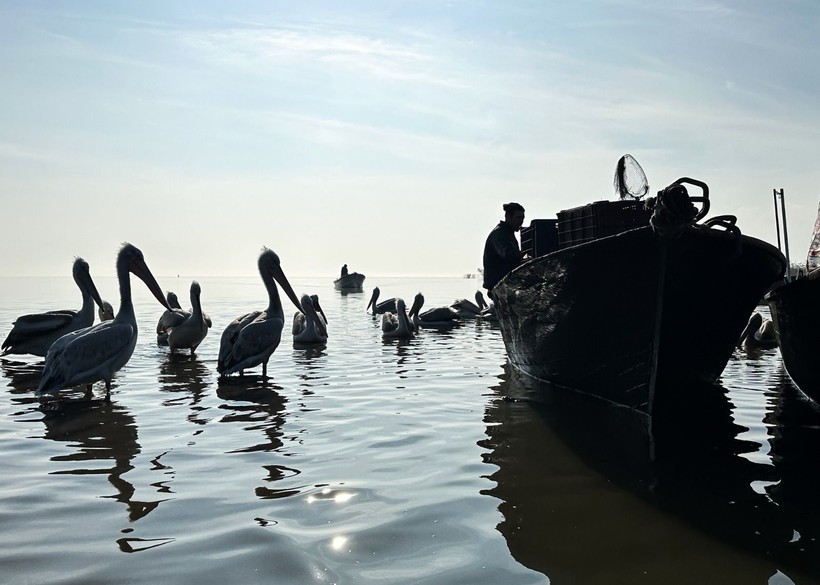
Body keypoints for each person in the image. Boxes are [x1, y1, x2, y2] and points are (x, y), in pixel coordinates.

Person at [482, 202, 527, 293]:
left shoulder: (507, 233)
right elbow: (508, 255)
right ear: (508, 217)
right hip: (498, 285)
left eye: (522, 218)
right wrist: (525, 254)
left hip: (504, 283)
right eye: (518, 217)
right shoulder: (500, 234)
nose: (521, 221)